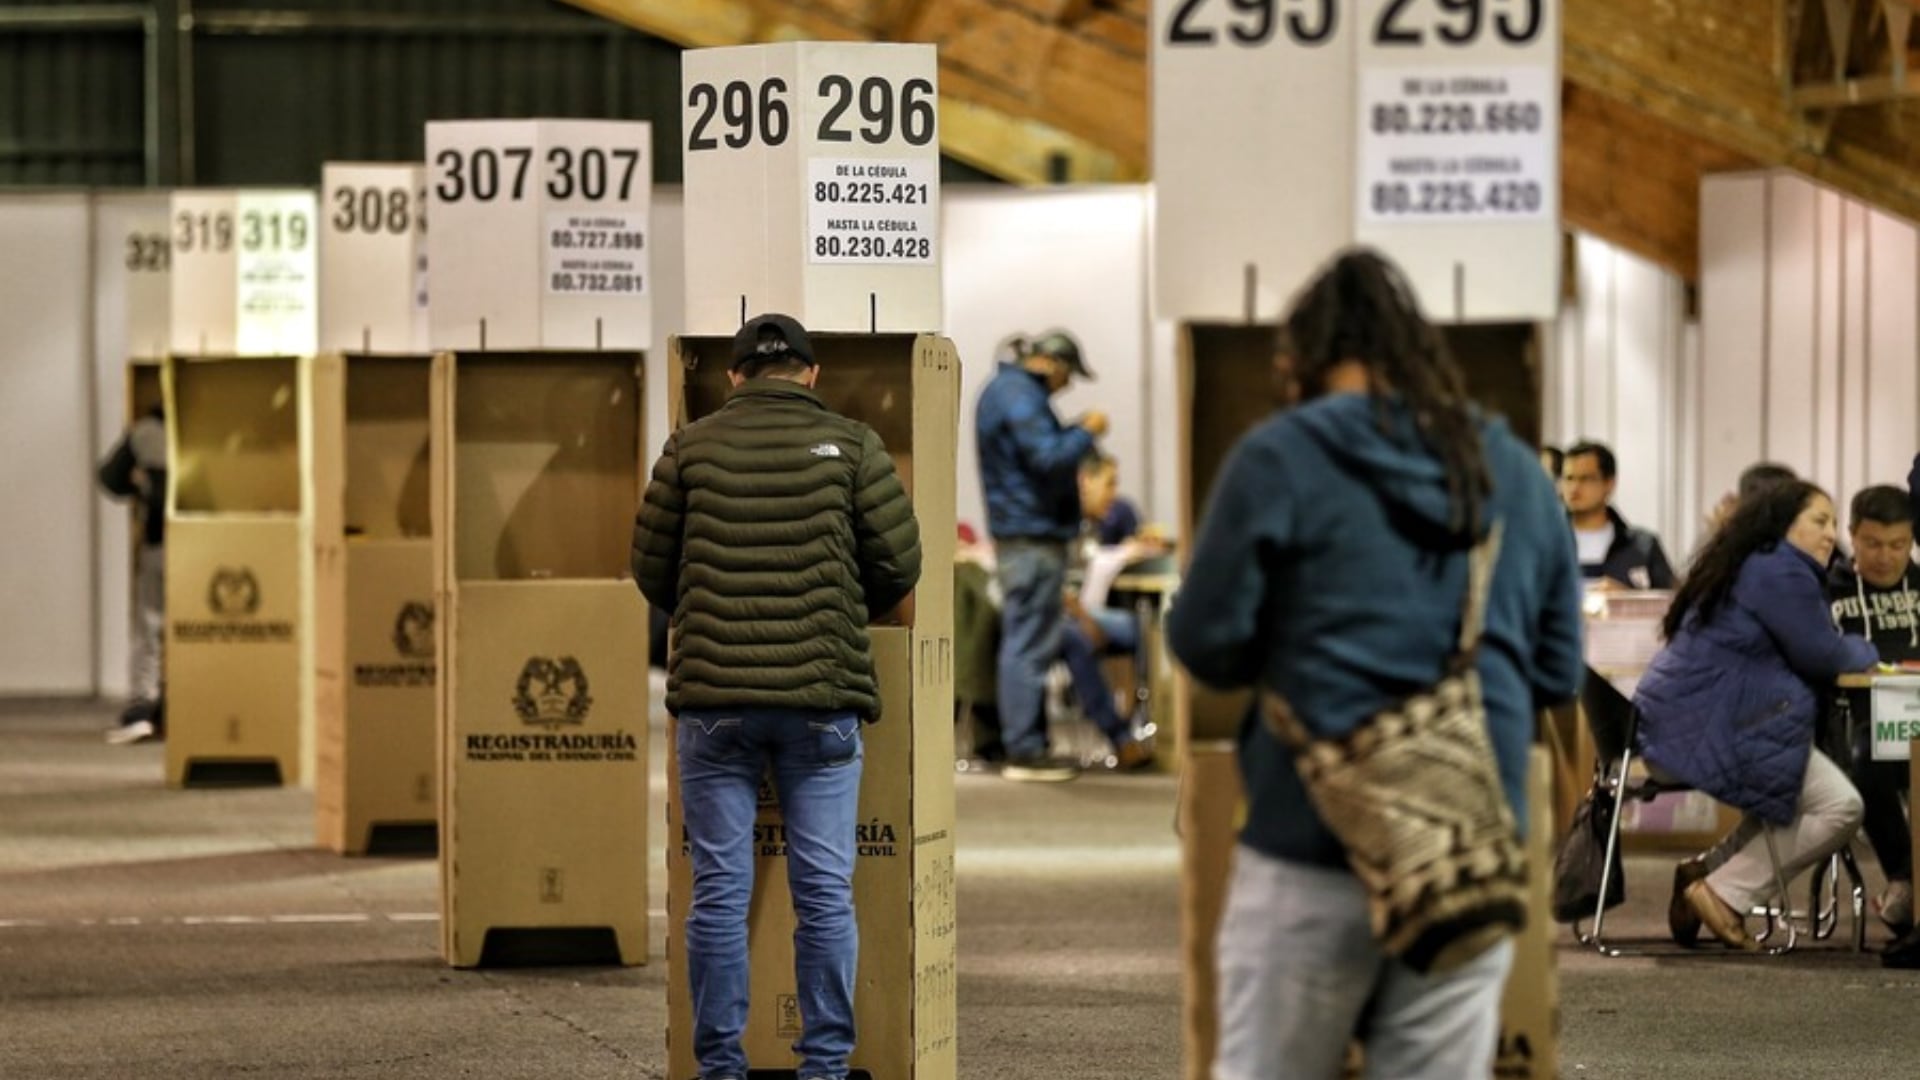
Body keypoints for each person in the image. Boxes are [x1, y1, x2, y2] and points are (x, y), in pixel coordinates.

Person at [1167, 250, 1584, 1079]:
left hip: (1311, 833)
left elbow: (1203, 643)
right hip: (1463, 851)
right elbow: (1556, 674)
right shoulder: (1518, 477)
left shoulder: (1278, 458)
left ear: (1304, 360)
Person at [632, 313, 921, 1080]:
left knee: (719, 893)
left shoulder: (688, 447)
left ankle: (720, 1068)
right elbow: (900, 563)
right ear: (811, 374)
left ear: (733, 377)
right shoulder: (856, 445)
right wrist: (836, 610)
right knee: (825, 891)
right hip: (821, 700)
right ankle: (824, 1067)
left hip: (715, 702)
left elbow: (651, 571)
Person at [1635, 480, 1877, 951]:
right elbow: (1823, 654)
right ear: (1783, 524)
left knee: (1783, 797)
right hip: (1714, 728)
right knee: (1840, 806)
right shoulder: (1780, 571)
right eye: (1819, 521)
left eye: (1833, 524)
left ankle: (1703, 871)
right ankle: (1724, 894)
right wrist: (1866, 649)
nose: (1831, 535)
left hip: (1688, 723)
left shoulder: (1753, 562)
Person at [974, 329, 1108, 782]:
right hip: (1031, 538)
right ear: (1050, 363)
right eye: (1068, 374)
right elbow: (1048, 458)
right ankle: (1025, 750)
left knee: (1024, 642)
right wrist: (1083, 432)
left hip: (1024, 537)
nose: (1067, 385)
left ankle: (1023, 743)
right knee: (1029, 645)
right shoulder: (1018, 395)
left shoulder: (1006, 392)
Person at [1827, 484, 1918, 931]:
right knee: (1868, 760)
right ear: (1852, 536)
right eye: (1873, 544)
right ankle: (1907, 877)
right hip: (1861, 725)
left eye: (1898, 545)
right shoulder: (1827, 591)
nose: (1885, 556)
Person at [1059, 453, 1162, 770]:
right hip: (1068, 614)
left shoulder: (1111, 516)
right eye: (1109, 483)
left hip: (1095, 609)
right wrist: (1085, 618)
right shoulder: (1061, 519)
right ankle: (1123, 733)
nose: (1115, 493)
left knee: (1148, 631)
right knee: (1078, 636)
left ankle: (1147, 718)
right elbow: (1056, 587)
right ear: (1084, 481)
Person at [97, 405, 168, 745]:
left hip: (158, 540)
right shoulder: (214, 424)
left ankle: (144, 708)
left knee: (151, 627)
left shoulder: (145, 432)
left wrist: (139, 488)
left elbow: (109, 477)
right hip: (210, 544)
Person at [1559, 440, 1676, 589]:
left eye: (1585, 479)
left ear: (1609, 483)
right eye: (1569, 478)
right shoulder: (1543, 544)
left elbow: (1671, 604)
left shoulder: (1643, 547)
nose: (1574, 488)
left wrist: (1627, 600)